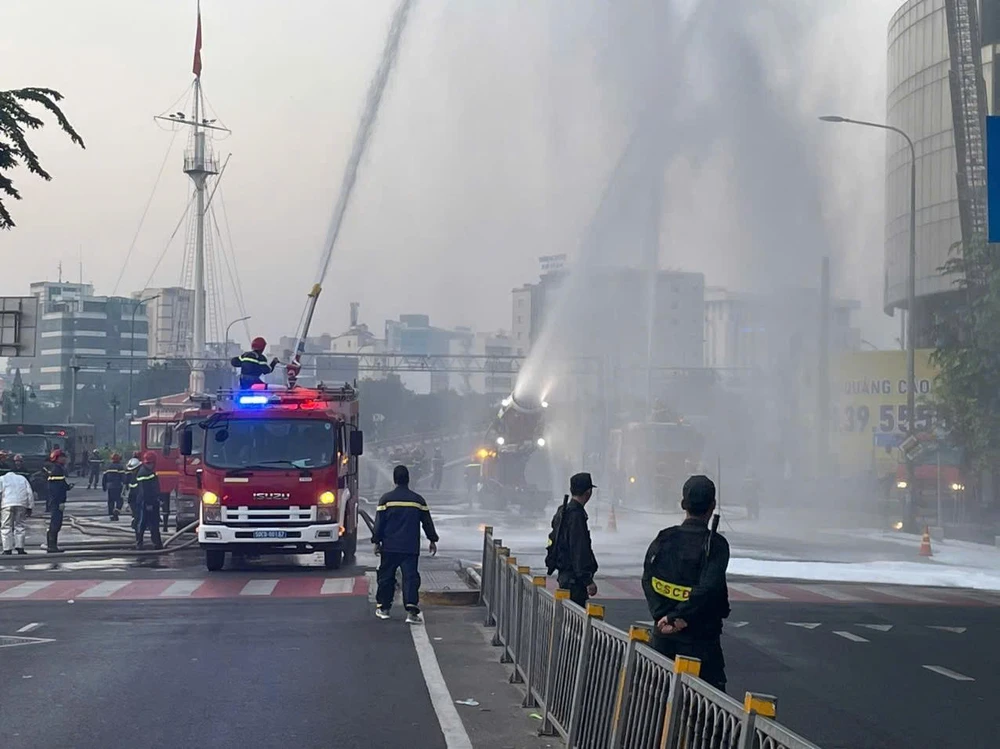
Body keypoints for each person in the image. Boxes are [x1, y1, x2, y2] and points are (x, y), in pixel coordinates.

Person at [642, 475, 731, 692]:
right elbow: (709, 590)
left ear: (683, 504)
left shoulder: (665, 538)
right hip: (701, 643)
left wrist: (662, 616)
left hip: (663, 639)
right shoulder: (716, 546)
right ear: (712, 506)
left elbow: (648, 579)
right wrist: (676, 617)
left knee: (657, 701)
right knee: (708, 715)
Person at [372, 465, 439, 624]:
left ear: (394, 479)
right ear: (408, 479)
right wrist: (432, 540)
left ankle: (384, 608)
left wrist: (376, 541)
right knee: (410, 577)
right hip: (410, 547)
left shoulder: (386, 500)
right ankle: (411, 610)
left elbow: (379, 524)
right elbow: (427, 522)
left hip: (389, 547)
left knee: (386, 577)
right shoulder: (418, 500)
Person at [545, 472, 599, 607]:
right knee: (575, 622)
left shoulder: (563, 511)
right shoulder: (576, 516)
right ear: (588, 492)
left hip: (565, 575)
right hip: (574, 580)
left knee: (567, 619)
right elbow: (578, 550)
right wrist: (588, 580)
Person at [1, 456, 34, 555]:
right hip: (21, 504)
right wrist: (30, 507)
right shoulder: (22, 478)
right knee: (20, 526)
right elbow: (29, 493)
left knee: (6, 526)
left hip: (6, 504)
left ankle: (7, 549)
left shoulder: (2, 479)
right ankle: (20, 548)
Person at [43, 449, 72, 553]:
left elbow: (60, 484)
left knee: (57, 523)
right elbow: (55, 488)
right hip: (56, 501)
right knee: (55, 523)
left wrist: (67, 487)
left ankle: (52, 545)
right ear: (56, 458)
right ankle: (51, 546)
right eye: (62, 457)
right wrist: (59, 502)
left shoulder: (58, 469)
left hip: (56, 501)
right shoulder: (57, 470)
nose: (64, 458)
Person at [134, 452, 163, 550]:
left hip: (150, 502)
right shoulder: (144, 473)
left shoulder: (147, 472)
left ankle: (156, 543)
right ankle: (141, 543)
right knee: (144, 523)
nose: (150, 465)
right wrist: (149, 503)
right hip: (146, 503)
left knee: (152, 523)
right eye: (148, 463)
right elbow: (144, 491)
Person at [101, 452, 126, 521]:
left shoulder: (108, 467)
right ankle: (117, 511)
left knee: (110, 501)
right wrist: (125, 484)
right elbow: (123, 478)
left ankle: (111, 515)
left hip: (110, 487)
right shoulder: (120, 467)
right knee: (119, 500)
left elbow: (104, 478)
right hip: (118, 486)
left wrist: (104, 486)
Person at [123, 457, 142, 529]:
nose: (132, 471)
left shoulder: (140, 474)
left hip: (139, 498)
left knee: (139, 513)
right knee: (136, 513)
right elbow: (132, 489)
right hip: (134, 498)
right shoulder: (133, 476)